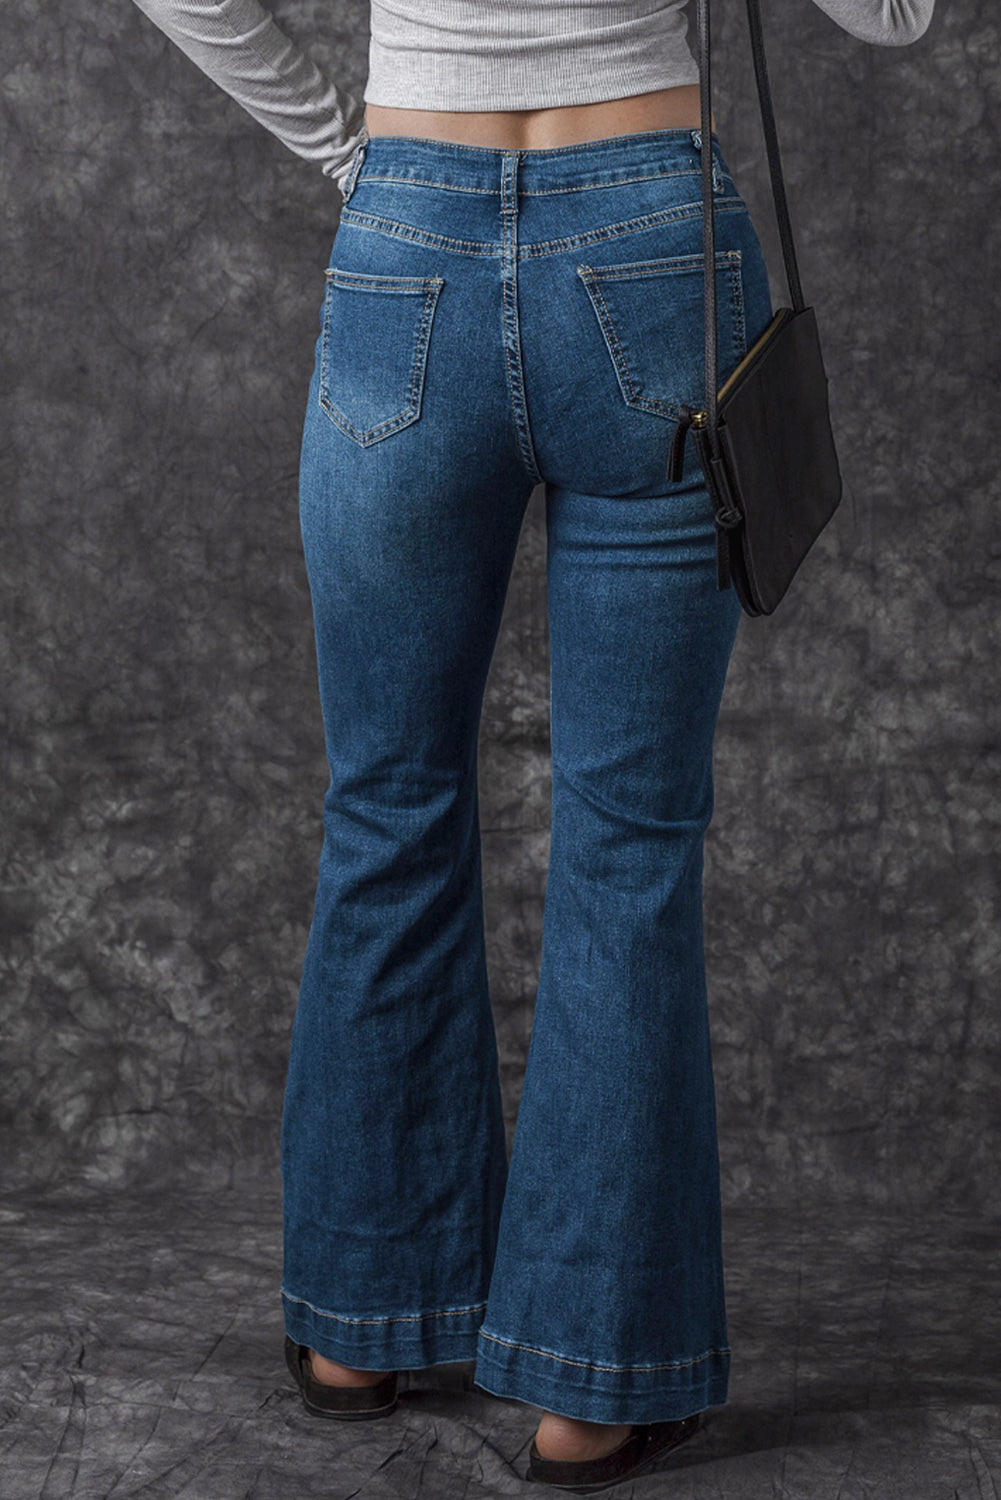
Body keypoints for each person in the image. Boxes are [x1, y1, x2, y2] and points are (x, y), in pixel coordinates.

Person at [129, 0, 937, 1488]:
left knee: (388, 803)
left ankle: (362, 1325)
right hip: (651, 233)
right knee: (628, 845)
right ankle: (594, 1389)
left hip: (408, 234)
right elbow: (897, 17)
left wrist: (348, 148)